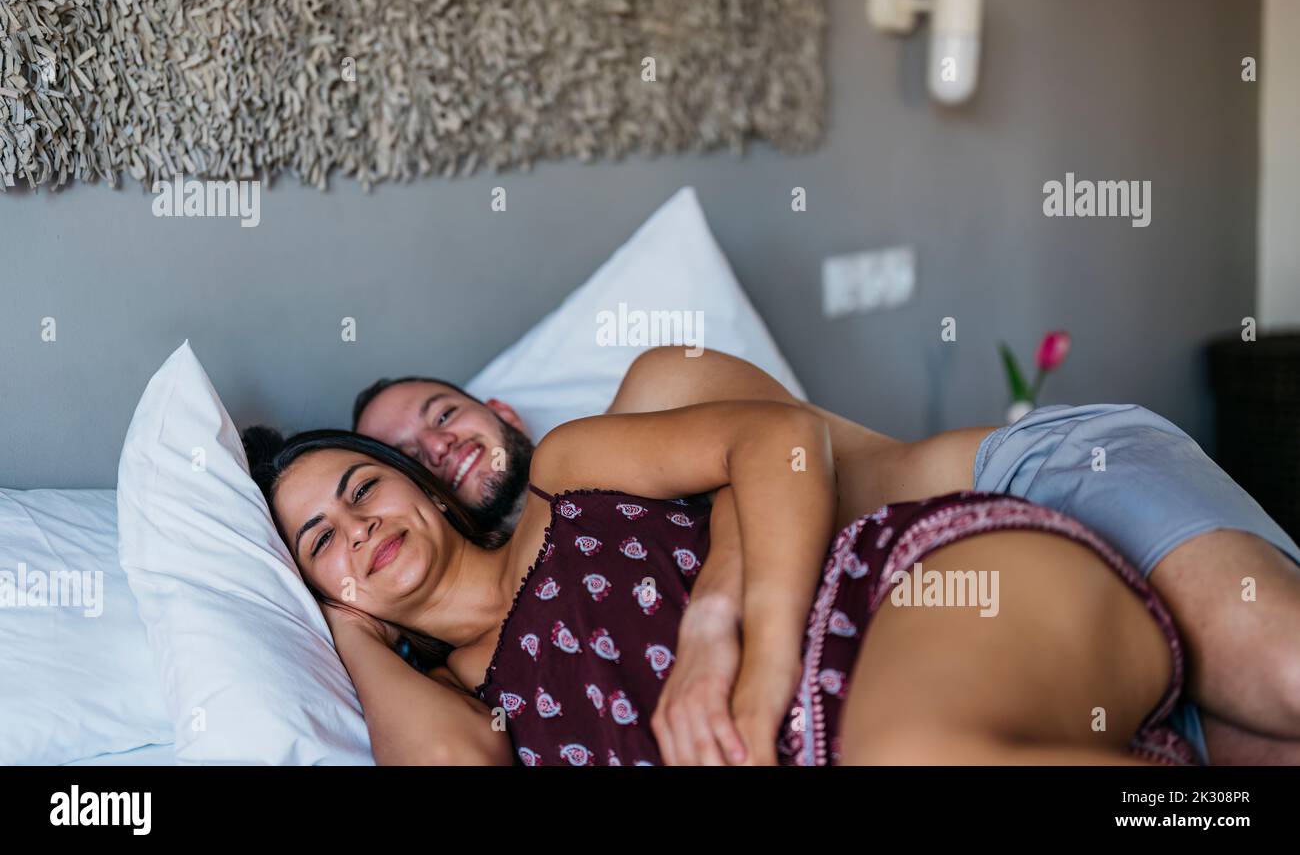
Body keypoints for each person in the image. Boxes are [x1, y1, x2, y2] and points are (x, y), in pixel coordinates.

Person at [352, 348, 1300, 765]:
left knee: (1282, 672)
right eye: (411, 456)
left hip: (1031, 489)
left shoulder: (647, 398)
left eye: (443, 416)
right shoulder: (514, 634)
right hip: (965, 667)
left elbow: (768, 468)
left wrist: (726, 637)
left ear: (501, 415)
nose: (440, 447)